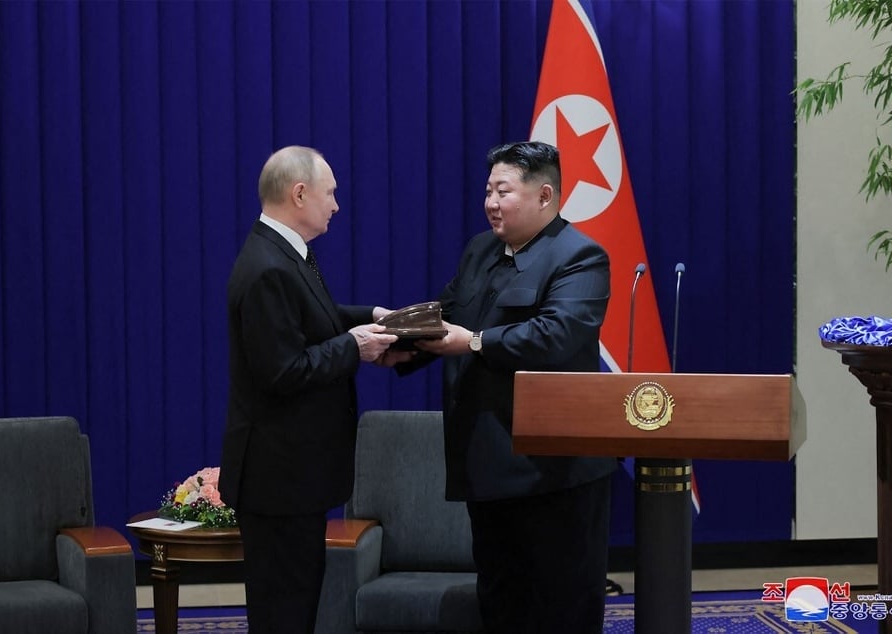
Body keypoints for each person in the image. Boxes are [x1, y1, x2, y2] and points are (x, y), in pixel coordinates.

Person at [382, 141, 617, 633]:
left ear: (544, 195)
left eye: (502, 190)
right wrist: (399, 339)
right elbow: (446, 313)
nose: (490, 201)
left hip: (553, 472)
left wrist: (477, 342)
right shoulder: (480, 250)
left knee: (559, 602)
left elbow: (556, 335)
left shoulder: (580, 256)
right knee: (500, 597)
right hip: (487, 464)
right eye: (487, 189)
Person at [219, 145, 397, 633]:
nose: (336, 205)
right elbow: (283, 371)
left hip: (296, 475)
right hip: (279, 478)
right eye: (330, 193)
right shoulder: (267, 268)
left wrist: (374, 319)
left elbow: (315, 321)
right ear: (300, 194)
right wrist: (354, 347)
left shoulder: (286, 253)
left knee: (298, 602)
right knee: (284, 611)